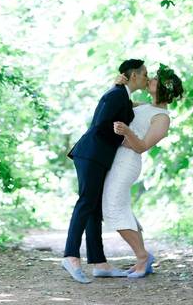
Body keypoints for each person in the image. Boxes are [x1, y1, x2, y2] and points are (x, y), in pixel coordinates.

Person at [60, 59, 147, 283]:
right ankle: (70, 256)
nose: (147, 78)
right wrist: (122, 136)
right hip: (91, 154)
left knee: (94, 208)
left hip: (98, 156)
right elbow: (101, 125)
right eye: (144, 74)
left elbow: (120, 118)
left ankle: (100, 263)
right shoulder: (116, 93)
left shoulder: (123, 96)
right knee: (86, 202)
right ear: (134, 75)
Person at [104, 65, 184, 278]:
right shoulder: (144, 106)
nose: (150, 79)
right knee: (120, 206)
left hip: (128, 162)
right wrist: (118, 84)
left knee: (112, 207)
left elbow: (142, 146)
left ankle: (142, 256)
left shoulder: (162, 118)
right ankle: (143, 256)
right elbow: (118, 104)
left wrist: (127, 131)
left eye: (155, 79)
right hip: (117, 158)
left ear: (164, 89)